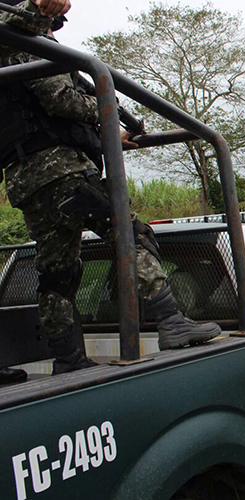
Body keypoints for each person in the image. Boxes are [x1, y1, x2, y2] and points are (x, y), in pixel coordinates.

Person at [0, 0, 221, 380]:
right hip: (61, 170)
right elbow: (61, 99)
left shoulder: (15, 53)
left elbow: (46, 113)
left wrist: (109, 131)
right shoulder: (29, 43)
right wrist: (105, 106)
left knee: (58, 273)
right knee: (129, 234)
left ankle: (68, 357)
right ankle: (171, 319)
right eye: (52, 19)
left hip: (27, 179)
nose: (54, 26)